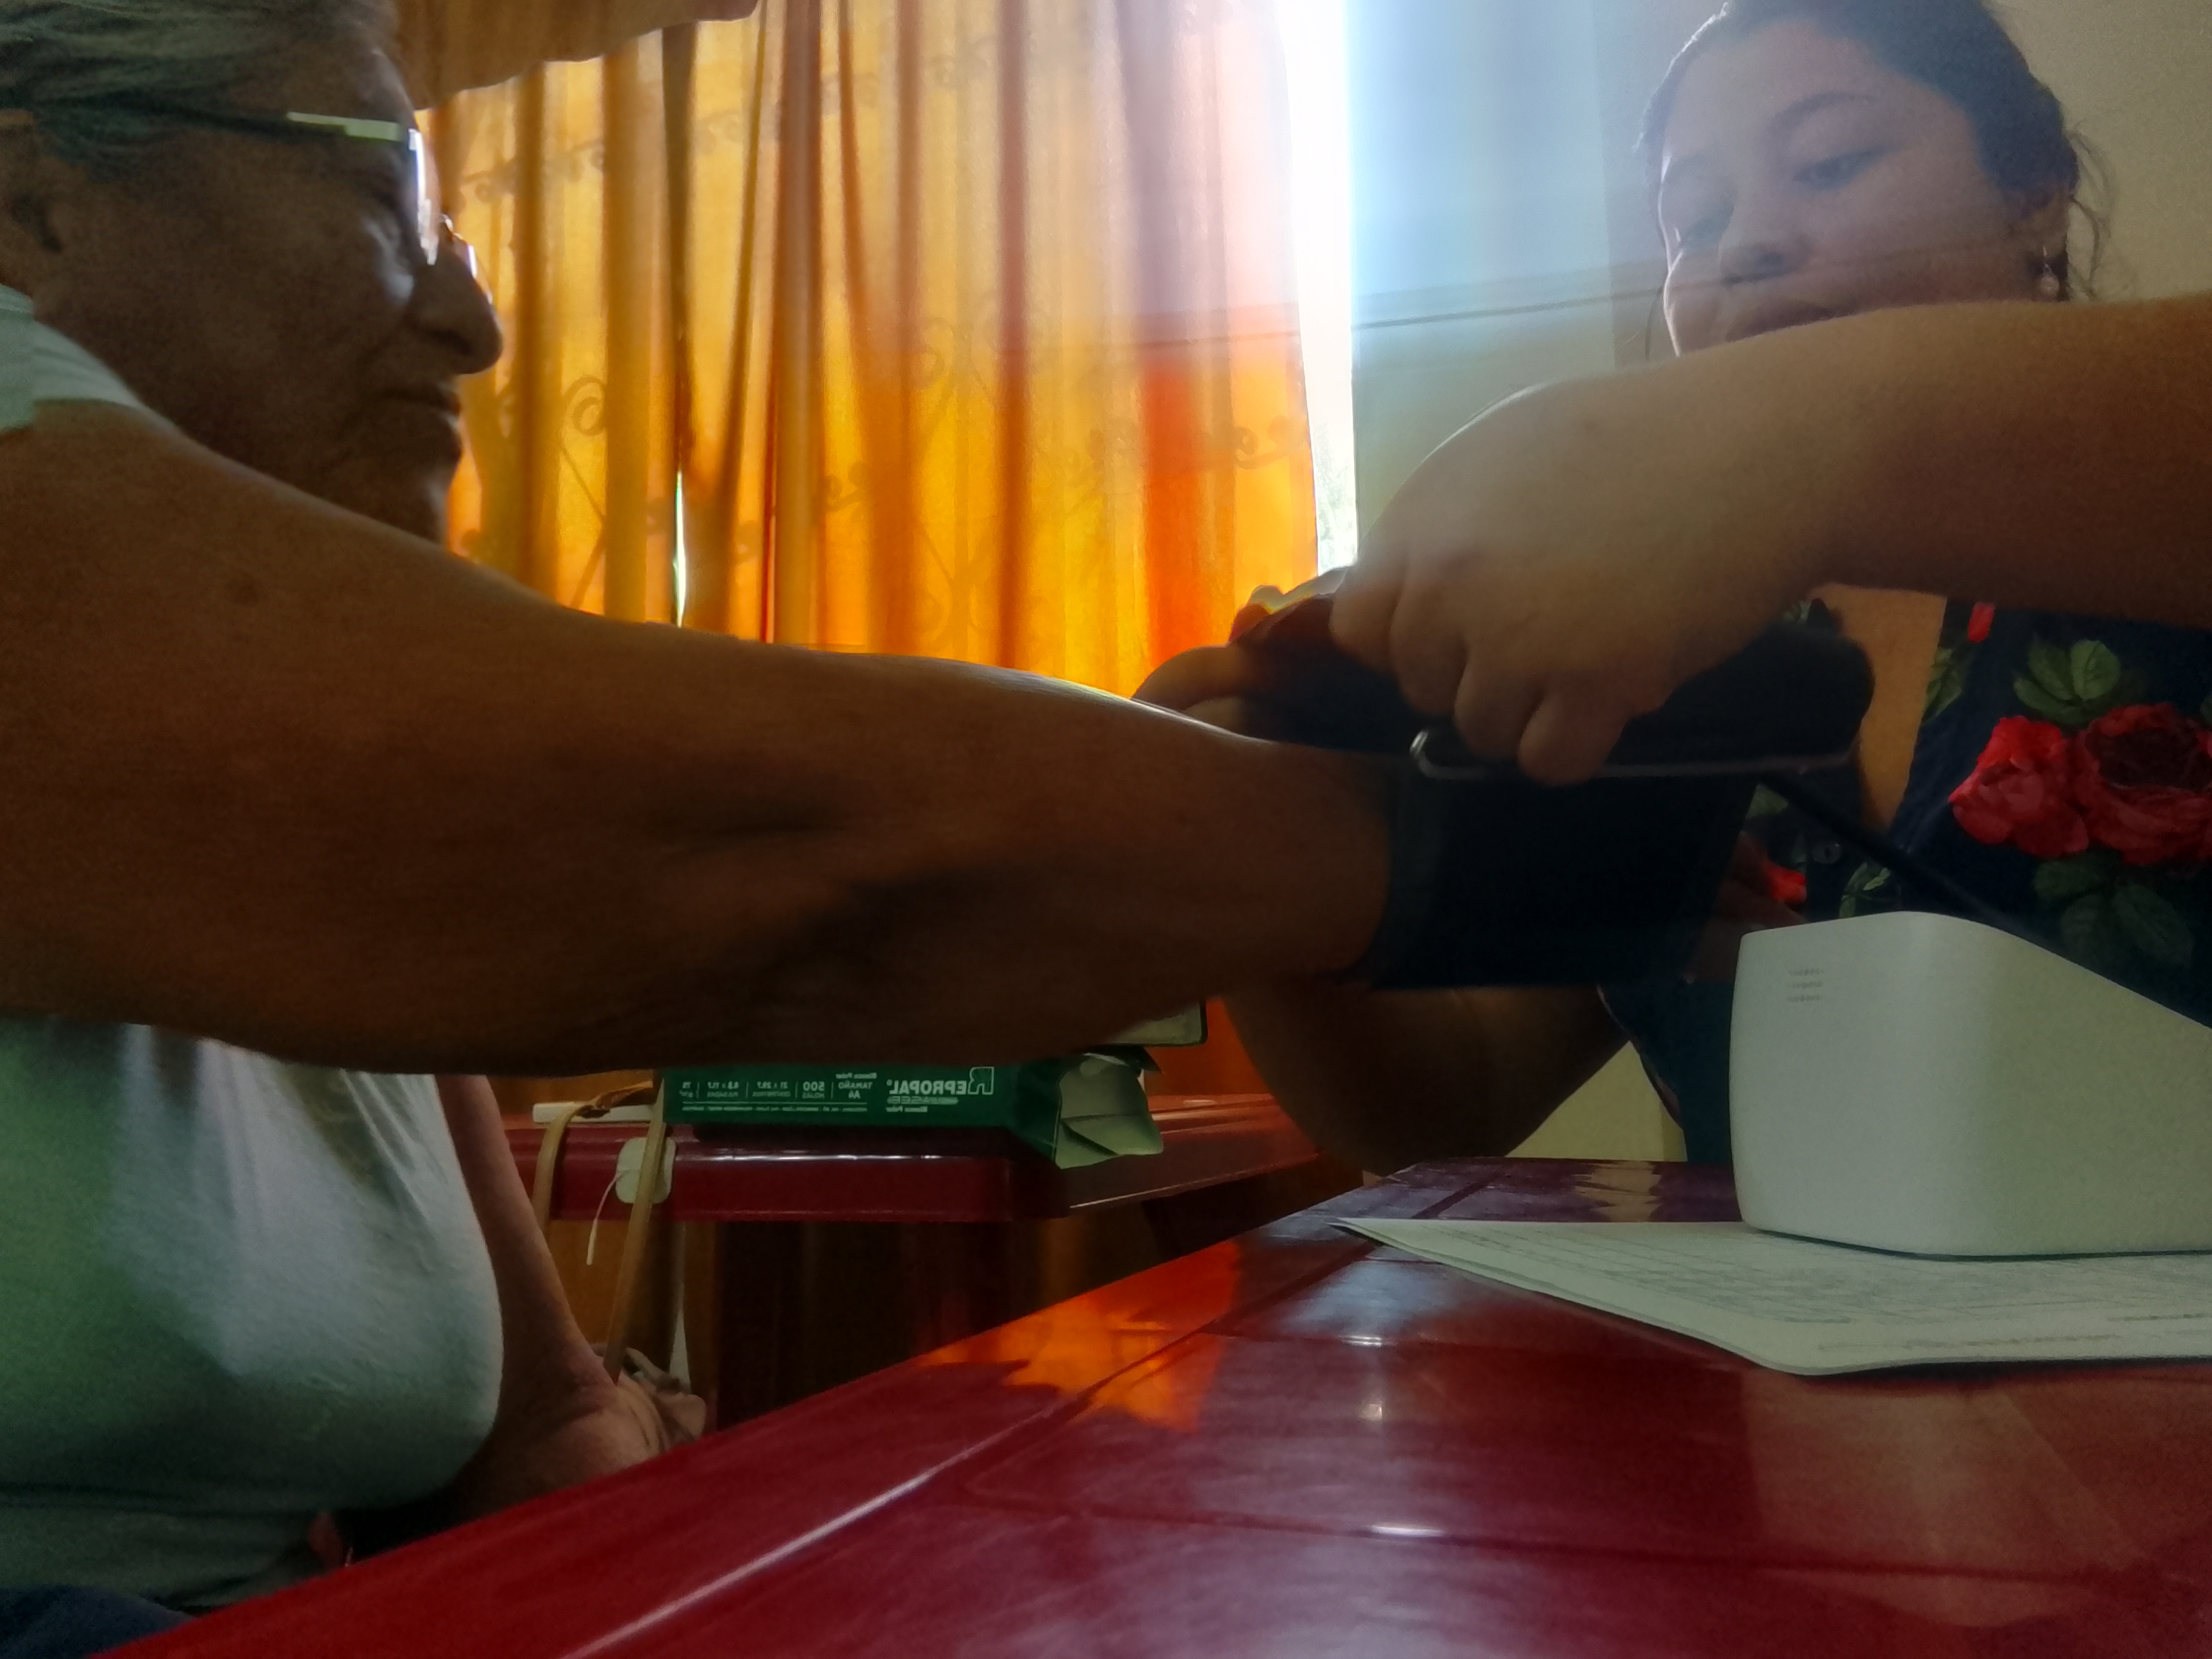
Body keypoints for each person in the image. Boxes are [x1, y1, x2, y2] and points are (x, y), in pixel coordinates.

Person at [0, 0, 1389, 1637]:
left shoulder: (351, 861)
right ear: (28, 206)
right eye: (389, 195)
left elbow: (533, 1432)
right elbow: (795, 853)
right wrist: (1460, 833)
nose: (472, 322)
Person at [1141, 0, 2212, 1170]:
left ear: (2034, 192)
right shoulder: (1650, 650)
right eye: (1695, 221)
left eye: (1831, 162)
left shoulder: (2160, 508)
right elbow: (1454, 1101)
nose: (1747, 243)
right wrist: (1248, 848)